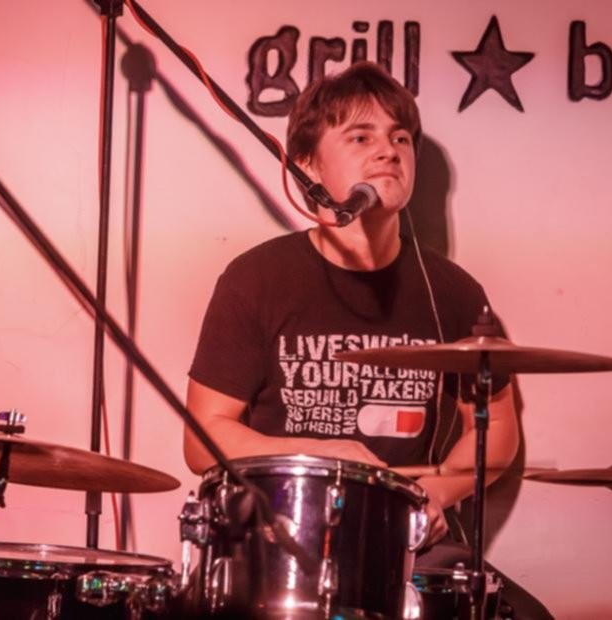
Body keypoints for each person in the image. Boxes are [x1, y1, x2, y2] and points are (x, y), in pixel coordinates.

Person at [184, 61, 551, 618]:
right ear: (307, 164)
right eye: (361, 137)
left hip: (405, 551)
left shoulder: (452, 291)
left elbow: (496, 427)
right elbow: (202, 438)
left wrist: (435, 493)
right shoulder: (256, 279)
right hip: (280, 537)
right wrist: (324, 452)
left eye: (400, 138)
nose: (388, 151)